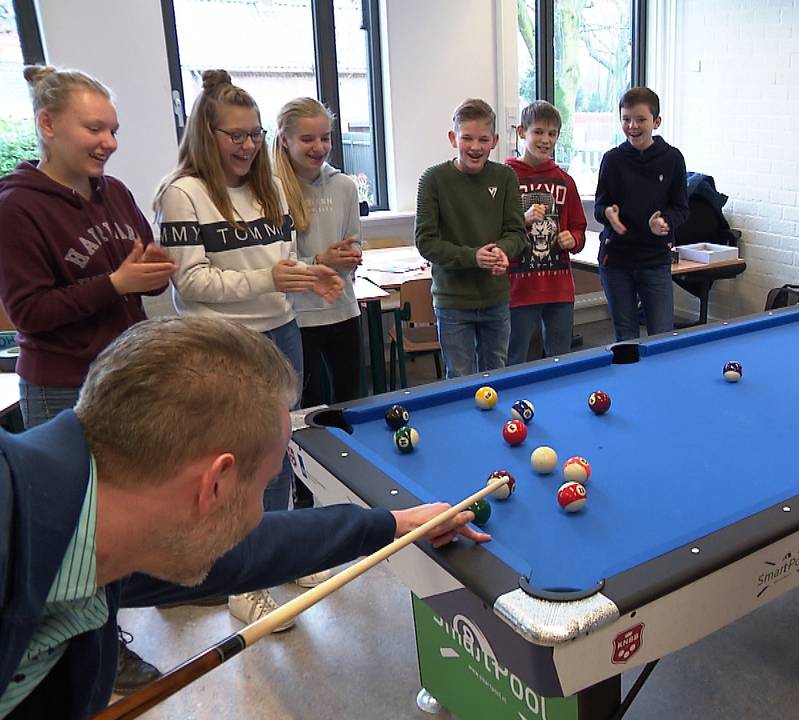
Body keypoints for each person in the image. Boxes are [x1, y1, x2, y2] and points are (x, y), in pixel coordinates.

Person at [0, 316, 488, 719]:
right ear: (214, 485)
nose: (261, 510)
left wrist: (391, 525)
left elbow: (246, 551)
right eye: (264, 486)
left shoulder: (101, 521)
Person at [0, 65, 176, 695]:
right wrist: (116, 284)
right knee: (69, 531)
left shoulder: (116, 192)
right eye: (94, 128)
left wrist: (151, 273)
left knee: (117, 515)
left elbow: (141, 269)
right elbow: (29, 315)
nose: (109, 141)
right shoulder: (16, 208)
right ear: (48, 126)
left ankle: (105, 629)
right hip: (62, 386)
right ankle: (74, 649)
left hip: (123, 376)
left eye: (114, 129)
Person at [155, 70, 343, 630]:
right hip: (222, 341)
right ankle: (242, 578)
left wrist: (313, 276)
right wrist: (273, 279)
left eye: (254, 134)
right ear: (206, 134)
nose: (246, 145)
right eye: (234, 134)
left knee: (279, 448)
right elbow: (190, 283)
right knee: (233, 462)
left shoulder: (273, 186)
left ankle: (276, 554)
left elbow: (278, 260)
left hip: (281, 330)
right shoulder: (181, 193)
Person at [414, 98, 526, 378]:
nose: (475, 147)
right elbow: (426, 242)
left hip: (496, 298)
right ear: (453, 138)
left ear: (495, 140)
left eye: (483, 139)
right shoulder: (433, 179)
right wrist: (473, 257)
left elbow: (516, 233)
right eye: (467, 138)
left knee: (496, 376)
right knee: (460, 379)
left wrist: (502, 251)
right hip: (453, 302)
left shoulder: (506, 177)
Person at [273, 97, 363, 409]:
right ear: (285, 140)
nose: (319, 147)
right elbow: (274, 261)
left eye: (325, 138)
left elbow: (355, 243)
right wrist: (320, 262)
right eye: (307, 139)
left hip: (343, 309)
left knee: (351, 402)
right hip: (297, 316)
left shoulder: (344, 186)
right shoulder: (272, 188)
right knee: (309, 404)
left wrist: (350, 258)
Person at [593, 87, 689, 342]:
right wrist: (609, 214)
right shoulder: (612, 160)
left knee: (661, 335)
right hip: (616, 261)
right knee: (626, 337)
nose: (632, 126)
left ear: (656, 122)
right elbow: (600, 206)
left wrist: (664, 222)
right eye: (626, 119)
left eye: (640, 119)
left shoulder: (672, 159)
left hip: (654, 260)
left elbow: (681, 208)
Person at [504, 100, 587, 365]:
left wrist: (572, 239)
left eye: (552, 134)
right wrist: (522, 220)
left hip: (559, 286)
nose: (545, 139)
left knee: (560, 359)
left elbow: (579, 228)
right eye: (538, 132)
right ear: (521, 132)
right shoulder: (505, 177)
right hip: (519, 286)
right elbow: (494, 227)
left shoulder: (565, 180)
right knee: (515, 357)